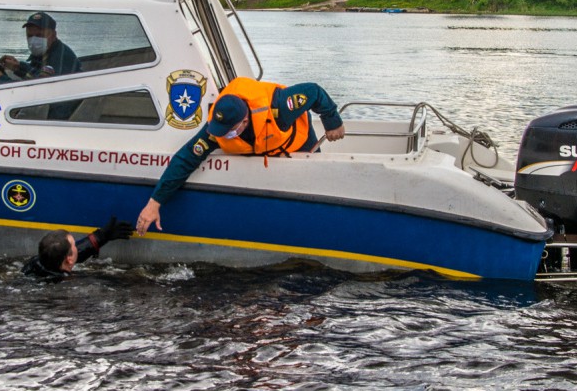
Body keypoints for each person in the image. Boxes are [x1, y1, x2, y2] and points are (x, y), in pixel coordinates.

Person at [134, 78, 345, 232]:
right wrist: (154, 203)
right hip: (265, 149)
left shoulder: (280, 106)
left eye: (228, 130)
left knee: (315, 179)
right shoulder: (217, 129)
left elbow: (314, 92)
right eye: (219, 130)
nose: (222, 135)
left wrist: (332, 121)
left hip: (298, 140)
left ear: (244, 122)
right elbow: (185, 159)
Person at [24, 217, 135, 279]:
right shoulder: (68, 281)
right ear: (69, 259)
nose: (77, 246)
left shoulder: (36, 262)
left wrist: (101, 236)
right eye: (74, 245)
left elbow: (76, 253)